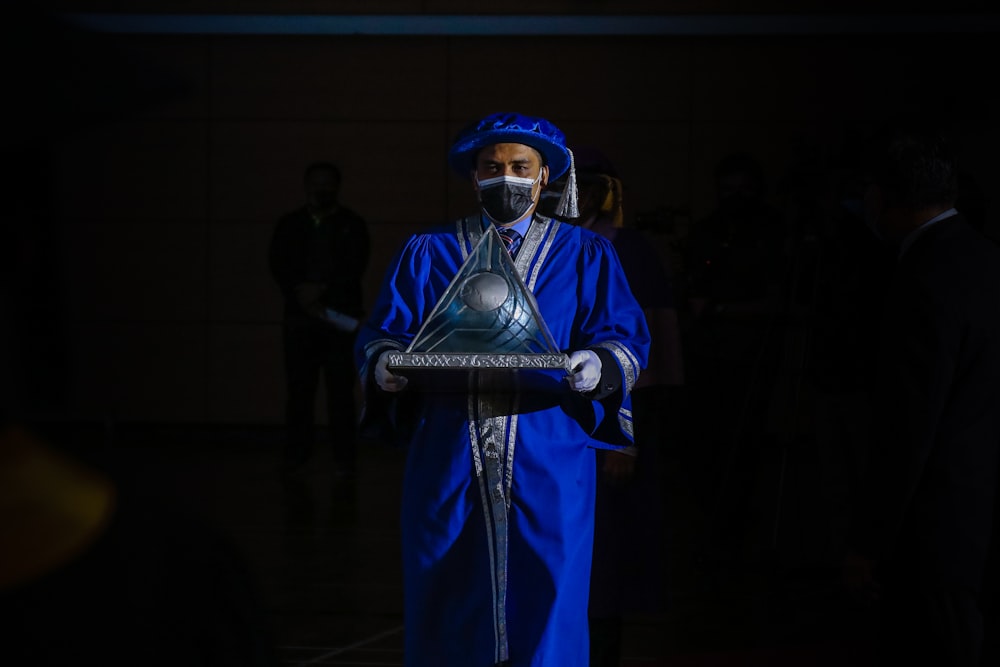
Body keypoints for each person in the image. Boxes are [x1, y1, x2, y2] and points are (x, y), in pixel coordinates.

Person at [354, 112, 650, 667]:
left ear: (544, 177)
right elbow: (384, 332)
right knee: (443, 575)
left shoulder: (585, 254)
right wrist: (385, 363)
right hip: (450, 447)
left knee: (551, 581)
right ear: (473, 176)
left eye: (520, 166)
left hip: (549, 449)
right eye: (492, 167)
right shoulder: (428, 250)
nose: (505, 177)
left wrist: (600, 363)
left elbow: (623, 335)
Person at [841, 118, 1000, 666]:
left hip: (937, 526)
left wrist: (868, 541)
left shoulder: (921, 277)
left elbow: (906, 426)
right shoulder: (985, 258)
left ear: (881, 196)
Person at [539, 147, 684, 667]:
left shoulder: (628, 250)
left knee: (605, 549)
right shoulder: (547, 245)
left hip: (609, 419)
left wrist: (623, 436)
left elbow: (639, 351)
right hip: (551, 420)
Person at [268, 161, 370, 476]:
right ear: (306, 184)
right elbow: (278, 265)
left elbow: (355, 267)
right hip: (300, 322)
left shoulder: (352, 224)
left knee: (341, 394)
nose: (321, 188)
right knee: (299, 392)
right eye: (316, 182)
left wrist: (321, 290)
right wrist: (301, 294)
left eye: (327, 183)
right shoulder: (289, 224)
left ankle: (344, 458)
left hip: (340, 323)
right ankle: (296, 455)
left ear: (337, 186)